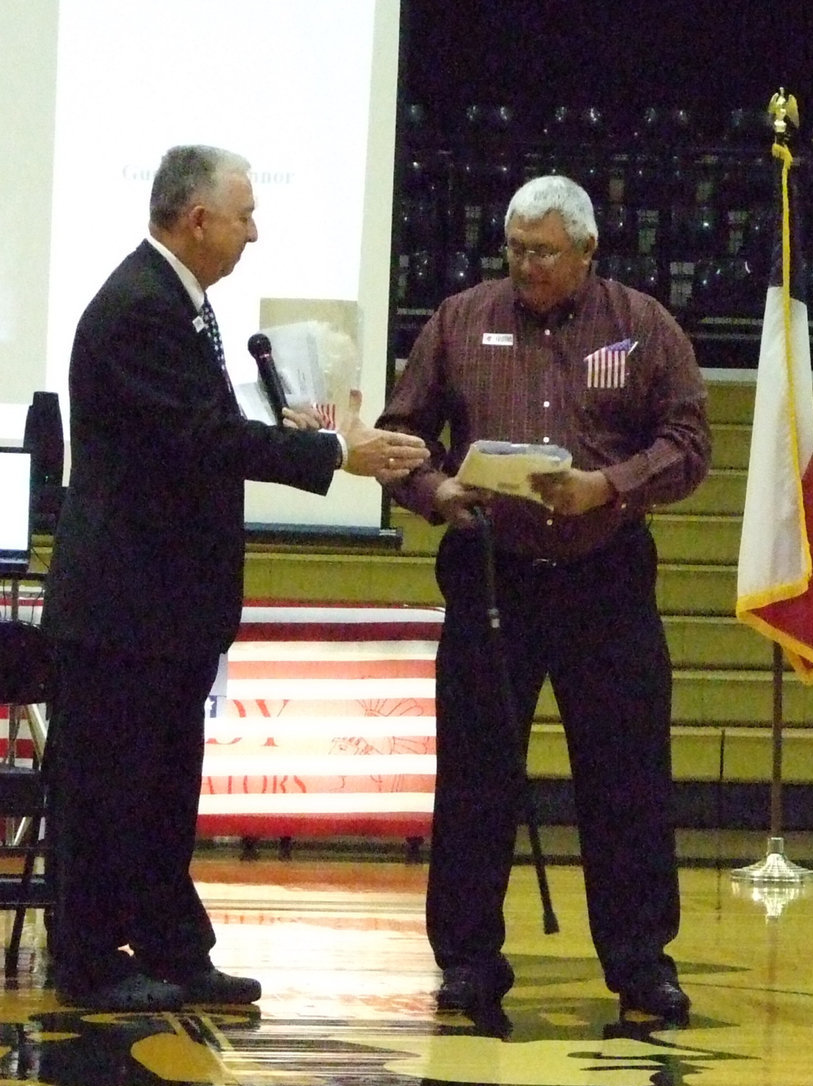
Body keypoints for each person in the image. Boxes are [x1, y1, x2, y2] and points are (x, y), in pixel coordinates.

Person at [41, 144, 428, 1012]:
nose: (257, 230)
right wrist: (336, 450)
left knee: (162, 787)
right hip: (124, 605)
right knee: (109, 792)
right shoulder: (141, 307)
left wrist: (289, 425)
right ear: (199, 219)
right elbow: (203, 441)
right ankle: (93, 961)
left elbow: (198, 429)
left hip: (162, 604)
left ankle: (175, 949)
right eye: (246, 215)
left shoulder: (179, 304)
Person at [376, 174, 711, 1025]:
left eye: (544, 252)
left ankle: (641, 961)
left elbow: (689, 442)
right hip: (496, 580)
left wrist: (608, 486)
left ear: (588, 250)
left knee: (627, 776)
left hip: (607, 579)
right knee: (477, 778)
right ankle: (467, 961)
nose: (527, 266)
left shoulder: (641, 326)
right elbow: (401, 434)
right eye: (517, 250)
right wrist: (436, 490)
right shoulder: (458, 320)